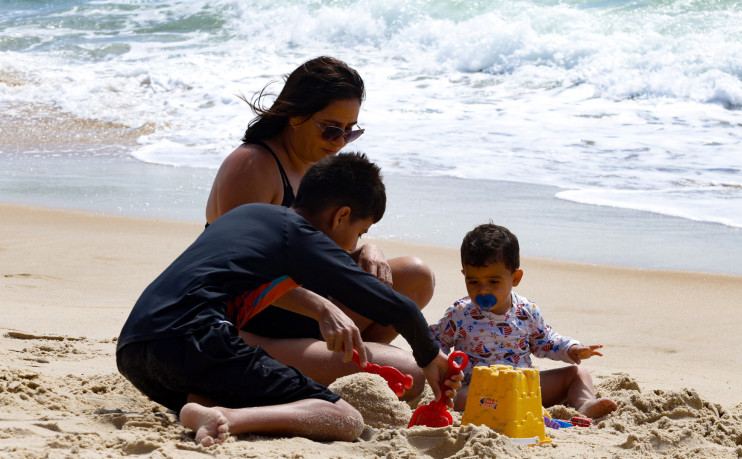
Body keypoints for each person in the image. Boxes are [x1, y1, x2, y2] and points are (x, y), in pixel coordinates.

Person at [117, 153, 461, 446]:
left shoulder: (247, 216)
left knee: (220, 381)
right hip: (196, 342)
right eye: (359, 232)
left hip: (135, 352)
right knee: (344, 418)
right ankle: (227, 418)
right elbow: (394, 305)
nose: (355, 242)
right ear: (340, 216)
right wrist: (431, 355)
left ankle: (202, 407)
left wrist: (324, 306)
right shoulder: (300, 235)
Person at [204, 56, 435, 388]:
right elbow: (240, 273)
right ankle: (335, 368)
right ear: (296, 115)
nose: (339, 142)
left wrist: (370, 248)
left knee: (415, 276)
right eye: (330, 129)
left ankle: (342, 368)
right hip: (247, 324)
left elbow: (332, 241)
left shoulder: (313, 164)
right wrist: (323, 309)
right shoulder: (253, 165)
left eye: (349, 132)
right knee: (409, 376)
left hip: (301, 314)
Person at [429, 223, 617, 418]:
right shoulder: (460, 313)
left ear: (515, 278)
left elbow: (545, 342)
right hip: (479, 390)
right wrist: (443, 368)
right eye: (473, 282)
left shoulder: (526, 311)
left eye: (494, 282)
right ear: (464, 276)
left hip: (524, 388)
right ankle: (504, 408)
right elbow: (435, 342)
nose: (483, 290)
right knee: (460, 398)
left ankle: (585, 404)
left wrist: (572, 348)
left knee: (578, 373)